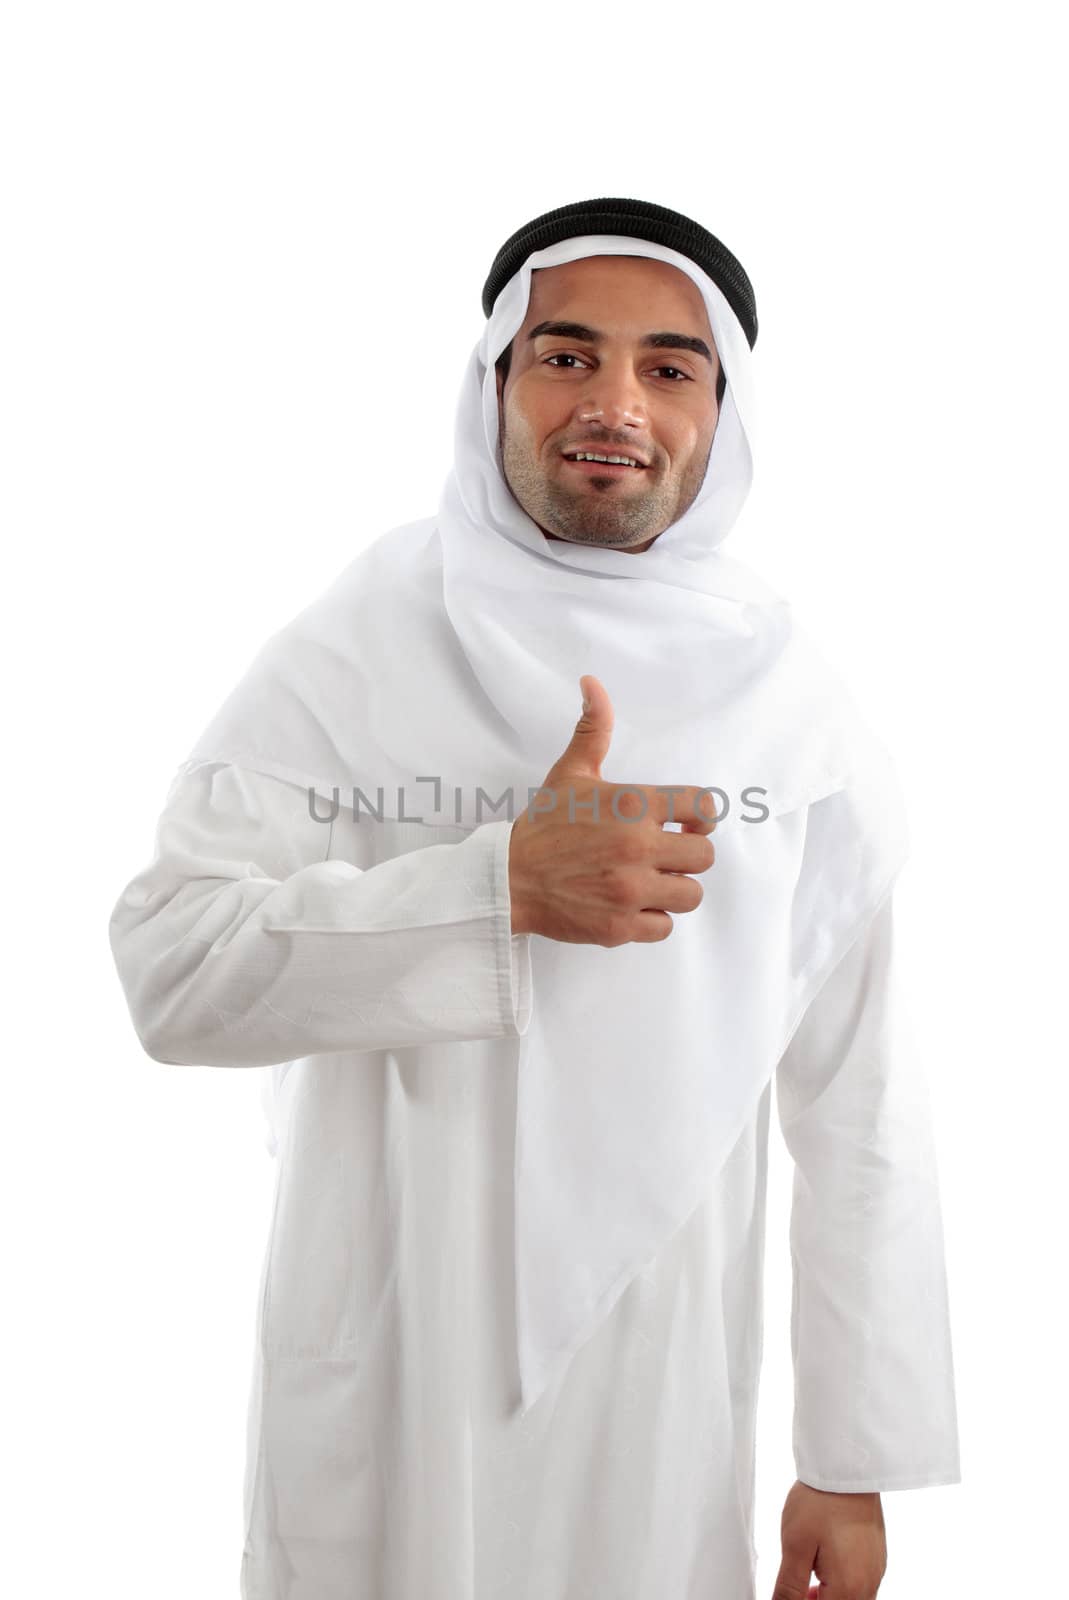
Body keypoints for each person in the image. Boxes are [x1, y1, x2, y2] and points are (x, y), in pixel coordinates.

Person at [108, 197, 961, 1600]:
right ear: (495, 381)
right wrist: (491, 887)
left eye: (667, 367)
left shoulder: (794, 711)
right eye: (564, 356)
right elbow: (170, 968)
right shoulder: (362, 640)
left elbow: (858, 1105)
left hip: (662, 1394)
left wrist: (850, 1455)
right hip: (387, 1363)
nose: (613, 403)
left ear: (720, 411)